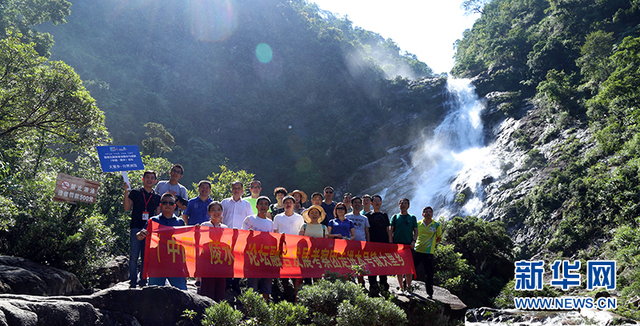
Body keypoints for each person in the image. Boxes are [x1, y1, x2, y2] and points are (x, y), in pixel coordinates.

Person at [136, 193, 187, 290]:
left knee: (183, 293)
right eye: (165, 202)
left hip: (175, 263)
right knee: (153, 293)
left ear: (174, 206)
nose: (168, 205)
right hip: (157, 263)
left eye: (171, 203)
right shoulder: (153, 220)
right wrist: (139, 235)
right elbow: (141, 236)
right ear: (160, 205)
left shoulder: (180, 222)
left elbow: (184, 244)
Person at [123, 170, 161, 288]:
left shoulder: (157, 197)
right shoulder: (135, 192)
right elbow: (126, 208)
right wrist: (126, 192)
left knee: (146, 256)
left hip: (150, 230)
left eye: (152, 178)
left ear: (155, 181)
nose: (149, 180)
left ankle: (143, 279)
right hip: (136, 226)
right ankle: (133, 279)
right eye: (147, 177)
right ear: (143, 179)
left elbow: (158, 215)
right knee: (134, 255)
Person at [242, 196, 274, 302]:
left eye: (266, 204)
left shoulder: (270, 223)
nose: (263, 206)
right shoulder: (250, 219)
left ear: (268, 207)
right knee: (252, 282)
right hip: (253, 255)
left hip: (266, 256)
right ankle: (251, 307)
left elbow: (271, 239)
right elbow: (243, 235)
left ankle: (265, 306)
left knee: (267, 280)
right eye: (261, 204)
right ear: (256, 206)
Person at [199, 201, 228, 302]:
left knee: (220, 286)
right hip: (207, 259)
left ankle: (219, 311)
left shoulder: (225, 227)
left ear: (222, 212)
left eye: (219, 210)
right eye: (213, 210)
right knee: (207, 286)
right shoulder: (204, 225)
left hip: (221, 260)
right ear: (209, 212)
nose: (216, 212)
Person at [295, 205, 328, 292]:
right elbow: (299, 240)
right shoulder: (304, 226)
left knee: (317, 278)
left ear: (319, 215)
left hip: (318, 257)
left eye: (316, 213)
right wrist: (308, 239)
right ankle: (298, 299)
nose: (314, 215)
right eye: (312, 213)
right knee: (302, 278)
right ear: (308, 215)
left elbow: (326, 242)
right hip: (305, 257)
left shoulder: (324, 228)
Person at [390, 198, 418, 294]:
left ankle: (409, 288)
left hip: (408, 246)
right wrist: (391, 243)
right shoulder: (395, 217)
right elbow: (391, 230)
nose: (403, 205)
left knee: (408, 268)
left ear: (408, 206)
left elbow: (416, 231)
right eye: (401, 203)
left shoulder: (412, 217)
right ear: (399, 205)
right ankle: (401, 288)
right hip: (398, 246)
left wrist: (414, 241)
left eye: (405, 203)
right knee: (399, 267)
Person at [414, 206, 442, 299]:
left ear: (432, 214)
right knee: (411, 270)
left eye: (430, 212)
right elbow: (413, 235)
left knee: (429, 273)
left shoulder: (436, 225)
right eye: (426, 212)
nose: (428, 213)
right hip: (417, 250)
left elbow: (439, 238)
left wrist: (431, 244)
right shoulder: (418, 224)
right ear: (423, 214)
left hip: (428, 252)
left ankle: (429, 293)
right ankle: (405, 286)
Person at [365, 194, 391, 294]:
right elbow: (367, 231)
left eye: (378, 201)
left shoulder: (385, 215)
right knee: (372, 266)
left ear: (381, 202)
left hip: (384, 244)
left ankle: (384, 287)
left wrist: (390, 243)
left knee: (383, 265)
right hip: (372, 244)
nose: (377, 202)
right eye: (375, 201)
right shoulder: (368, 215)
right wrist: (368, 243)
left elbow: (388, 229)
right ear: (371, 203)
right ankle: (373, 287)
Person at [345, 196, 369, 286]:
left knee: (361, 263)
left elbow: (367, 232)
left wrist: (368, 244)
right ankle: (349, 283)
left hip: (362, 243)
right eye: (355, 202)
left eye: (359, 202)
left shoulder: (365, 218)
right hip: (350, 243)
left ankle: (361, 284)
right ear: (352, 204)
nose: (357, 204)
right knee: (349, 262)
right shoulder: (347, 216)